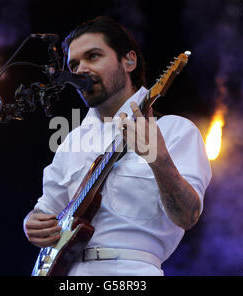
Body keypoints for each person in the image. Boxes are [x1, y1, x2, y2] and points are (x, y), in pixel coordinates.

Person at [23, 16, 211, 276]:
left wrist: (159, 159)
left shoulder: (175, 130)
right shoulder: (72, 141)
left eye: (93, 56)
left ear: (129, 61)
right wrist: (32, 224)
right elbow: (46, 211)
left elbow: (188, 216)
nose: (80, 70)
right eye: (74, 64)